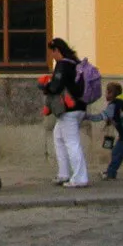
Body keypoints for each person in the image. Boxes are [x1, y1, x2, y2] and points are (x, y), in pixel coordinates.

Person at [38, 37, 89, 187]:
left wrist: (45, 87)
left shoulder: (62, 65)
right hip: (79, 107)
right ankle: (64, 174)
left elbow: (56, 87)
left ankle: (80, 178)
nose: (51, 56)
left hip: (69, 109)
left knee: (72, 142)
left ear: (57, 50)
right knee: (58, 137)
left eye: (51, 52)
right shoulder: (75, 63)